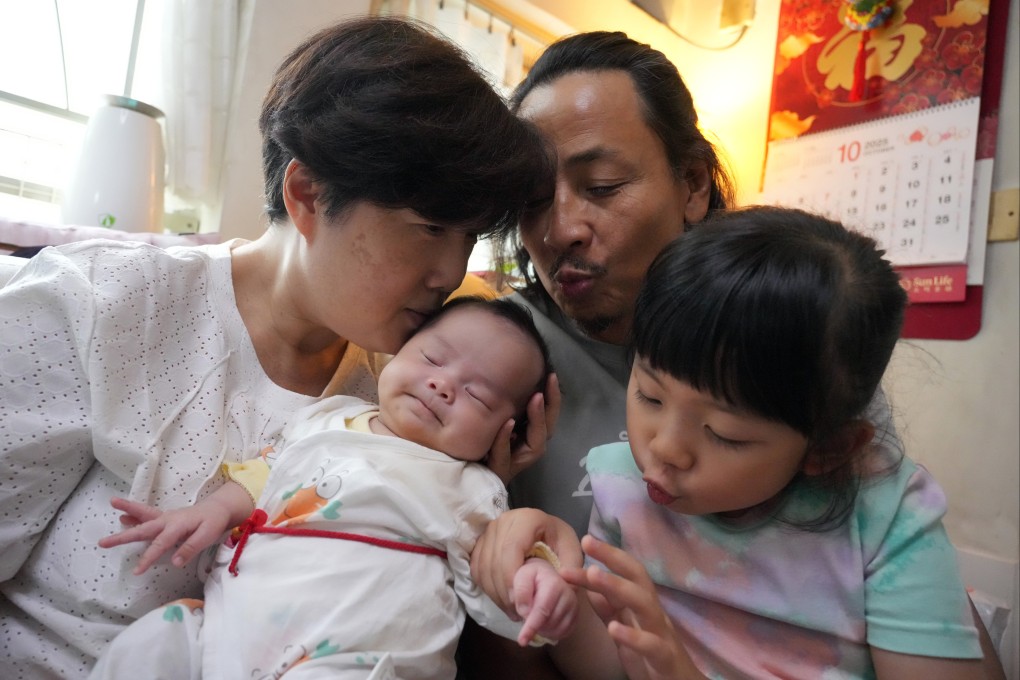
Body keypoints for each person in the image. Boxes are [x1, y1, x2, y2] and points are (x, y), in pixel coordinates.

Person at [0, 16, 554, 678]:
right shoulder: (104, 305)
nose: (449, 271)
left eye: (467, 239)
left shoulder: (413, 393)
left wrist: (489, 481)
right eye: (429, 227)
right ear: (306, 194)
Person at [460, 30, 1006, 680]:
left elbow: (899, 565)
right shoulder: (493, 352)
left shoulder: (799, 341)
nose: (558, 229)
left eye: (601, 186)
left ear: (692, 182)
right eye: (531, 200)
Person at [515, 206, 992, 679]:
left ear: (828, 449)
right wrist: (559, 592)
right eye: (649, 395)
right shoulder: (622, 485)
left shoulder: (886, 519)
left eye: (724, 434)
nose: (664, 450)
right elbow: (611, 663)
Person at [89, 297, 576, 679]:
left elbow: (497, 567)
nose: (443, 385)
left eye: (478, 394)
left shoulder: (470, 488)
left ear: (507, 432)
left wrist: (534, 588)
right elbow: (270, 474)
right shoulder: (330, 416)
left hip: (355, 659)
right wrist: (213, 510)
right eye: (432, 358)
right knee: (153, 642)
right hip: (233, 628)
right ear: (394, 355)